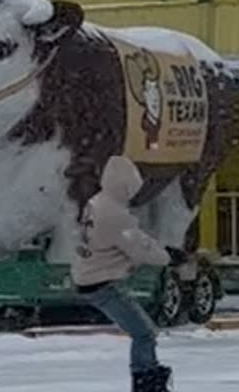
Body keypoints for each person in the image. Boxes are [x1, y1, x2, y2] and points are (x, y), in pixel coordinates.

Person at [71, 154, 189, 392]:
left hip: (88, 276)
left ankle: (147, 376)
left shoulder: (97, 202)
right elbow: (140, 247)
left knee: (143, 331)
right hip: (100, 284)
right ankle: (145, 381)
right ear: (126, 185)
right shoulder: (115, 215)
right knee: (144, 333)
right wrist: (168, 256)